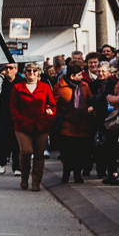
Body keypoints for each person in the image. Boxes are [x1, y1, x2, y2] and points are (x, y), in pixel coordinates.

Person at [11, 61, 56, 191]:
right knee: (26, 151)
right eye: (29, 71)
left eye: (34, 71)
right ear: (24, 73)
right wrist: (20, 119)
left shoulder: (45, 87)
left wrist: (49, 115)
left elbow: (52, 105)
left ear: (38, 73)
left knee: (39, 154)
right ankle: (24, 178)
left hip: (41, 125)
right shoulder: (18, 87)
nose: (31, 73)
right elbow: (13, 107)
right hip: (23, 126)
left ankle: (36, 181)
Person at [53, 63, 96, 183]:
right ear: (72, 76)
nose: (82, 77)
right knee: (67, 153)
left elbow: (90, 100)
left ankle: (78, 174)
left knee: (81, 153)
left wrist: (91, 108)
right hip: (66, 126)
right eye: (79, 75)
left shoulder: (84, 86)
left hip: (83, 126)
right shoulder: (59, 88)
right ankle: (66, 174)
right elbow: (54, 105)